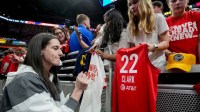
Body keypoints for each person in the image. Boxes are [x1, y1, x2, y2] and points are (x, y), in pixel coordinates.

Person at [1, 33, 88, 112]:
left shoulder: (51, 77)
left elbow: (60, 106)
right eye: (55, 48)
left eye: (60, 49)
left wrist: (79, 89)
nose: (61, 53)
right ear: (40, 50)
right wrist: (78, 91)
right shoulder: (25, 81)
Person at [119, 0, 169, 68]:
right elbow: (133, 49)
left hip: (158, 64)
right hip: (140, 66)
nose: (132, 7)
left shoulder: (158, 18)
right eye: (130, 5)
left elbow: (166, 42)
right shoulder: (130, 26)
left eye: (135, 2)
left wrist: (153, 47)